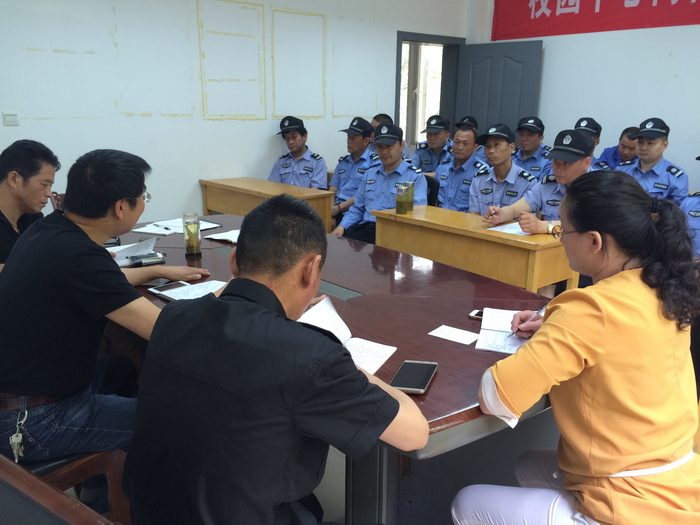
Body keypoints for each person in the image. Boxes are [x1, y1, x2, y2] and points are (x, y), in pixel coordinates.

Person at [123, 194, 429, 525]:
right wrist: (353, 367)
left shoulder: (174, 317)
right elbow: (414, 434)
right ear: (311, 269)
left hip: (149, 512)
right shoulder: (311, 357)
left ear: (234, 260)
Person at [452, 170, 700, 525]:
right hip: (679, 479)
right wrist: (555, 327)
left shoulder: (590, 309)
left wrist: (559, 327)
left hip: (629, 503)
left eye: (562, 230)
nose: (560, 238)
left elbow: (495, 397)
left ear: (594, 241)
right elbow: (617, 340)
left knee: (466, 503)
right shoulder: (665, 289)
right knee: (528, 464)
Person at [0, 149, 208, 467]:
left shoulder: (52, 229)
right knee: (186, 419)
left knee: (123, 370)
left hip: (24, 392)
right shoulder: (78, 256)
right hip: (32, 421)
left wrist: (157, 271)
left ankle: (106, 484)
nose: (144, 203)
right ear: (121, 207)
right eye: (143, 197)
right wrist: (221, 300)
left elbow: (98, 281)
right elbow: (165, 330)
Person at [483, 129, 593, 234]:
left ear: (586, 163)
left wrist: (544, 226)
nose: (559, 168)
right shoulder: (548, 185)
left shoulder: (598, 187)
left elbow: (587, 226)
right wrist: (501, 214)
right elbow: (515, 209)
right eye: (556, 161)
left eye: (566, 163)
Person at [332, 123, 427, 244]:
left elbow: (412, 217)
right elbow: (357, 208)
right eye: (380, 147)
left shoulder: (412, 177)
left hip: (394, 234)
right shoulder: (370, 173)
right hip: (365, 230)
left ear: (402, 146)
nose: (384, 151)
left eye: (389, 146)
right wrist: (342, 226)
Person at [0, 139, 60, 269]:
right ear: (14, 179)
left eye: (50, 186)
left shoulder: (31, 217)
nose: (49, 194)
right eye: (44, 184)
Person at [468, 124, 536, 216]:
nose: (491, 151)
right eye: (487, 146)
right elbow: (473, 216)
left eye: (497, 145)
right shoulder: (479, 179)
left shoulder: (527, 183)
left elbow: (526, 220)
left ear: (511, 147)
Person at [617, 117, 687, 204]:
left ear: (664, 145)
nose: (643, 148)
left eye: (650, 143)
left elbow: (678, 210)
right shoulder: (622, 170)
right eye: (640, 142)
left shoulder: (675, 177)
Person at [329, 117, 379, 227]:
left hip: (355, 214)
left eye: (354, 137)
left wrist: (337, 209)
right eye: (348, 137)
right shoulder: (343, 162)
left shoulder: (374, 163)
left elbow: (363, 195)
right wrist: (331, 213)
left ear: (366, 141)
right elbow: (332, 190)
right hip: (336, 211)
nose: (349, 141)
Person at [435, 126, 489, 212]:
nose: (459, 147)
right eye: (456, 142)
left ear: (475, 147)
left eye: (465, 144)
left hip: (464, 218)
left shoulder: (481, 172)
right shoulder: (442, 168)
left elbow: (481, 208)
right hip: (438, 216)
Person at [268, 116, 328, 189]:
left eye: (294, 137)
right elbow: (272, 188)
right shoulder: (281, 162)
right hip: (283, 197)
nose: (290, 142)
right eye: (287, 138)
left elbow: (317, 192)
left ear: (304, 137)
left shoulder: (317, 162)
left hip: (307, 197)